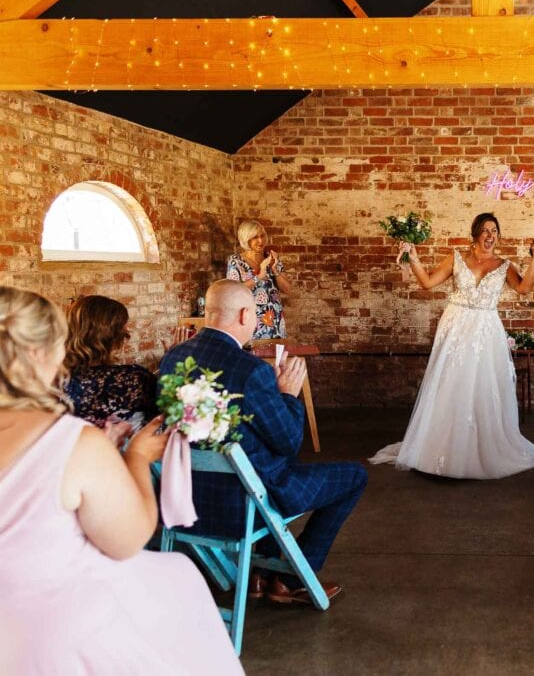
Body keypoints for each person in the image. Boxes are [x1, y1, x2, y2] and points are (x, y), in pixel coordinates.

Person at [0, 286, 241, 674]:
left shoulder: (75, 418)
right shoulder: (74, 440)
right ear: (38, 354)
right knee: (179, 580)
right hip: (44, 631)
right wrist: (136, 457)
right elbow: (127, 541)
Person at [161, 280, 366, 603]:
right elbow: (288, 440)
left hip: (186, 496)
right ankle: (293, 577)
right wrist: (287, 395)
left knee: (278, 459)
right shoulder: (251, 369)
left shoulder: (173, 358)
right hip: (244, 504)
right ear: (244, 315)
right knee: (355, 476)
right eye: (255, 314)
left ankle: (260, 576)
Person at [370, 213, 534, 479]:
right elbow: (427, 282)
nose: (490, 236)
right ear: (475, 234)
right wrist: (414, 257)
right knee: (451, 385)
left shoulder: (503, 265)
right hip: (455, 326)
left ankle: (481, 448)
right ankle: (442, 448)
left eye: (495, 231)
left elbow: (524, 288)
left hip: (486, 331)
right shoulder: (456, 258)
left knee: (482, 386)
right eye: (485, 230)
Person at [63, 295, 158, 434]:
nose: (127, 332)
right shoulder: (133, 379)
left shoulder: (52, 379)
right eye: (123, 326)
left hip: (73, 454)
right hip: (128, 454)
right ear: (112, 335)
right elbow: (164, 410)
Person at [226, 219, 292, 340]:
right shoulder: (236, 261)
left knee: (276, 358)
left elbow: (287, 289)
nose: (260, 241)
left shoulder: (271, 258)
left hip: (274, 322)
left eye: (262, 236)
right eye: (255, 237)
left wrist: (274, 269)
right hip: (249, 323)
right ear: (246, 239)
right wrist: (259, 276)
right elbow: (233, 292)